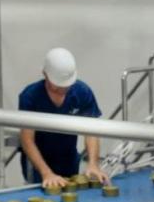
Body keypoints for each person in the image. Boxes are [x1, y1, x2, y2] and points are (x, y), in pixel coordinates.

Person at [17, 47, 109, 190]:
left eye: (66, 85)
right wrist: (46, 173)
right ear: (45, 74)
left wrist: (93, 164)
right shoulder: (30, 96)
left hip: (68, 159)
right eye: (57, 86)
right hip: (38, 164)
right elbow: (27, 140)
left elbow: (91, 131)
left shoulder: (82, 92)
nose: (62, 89)